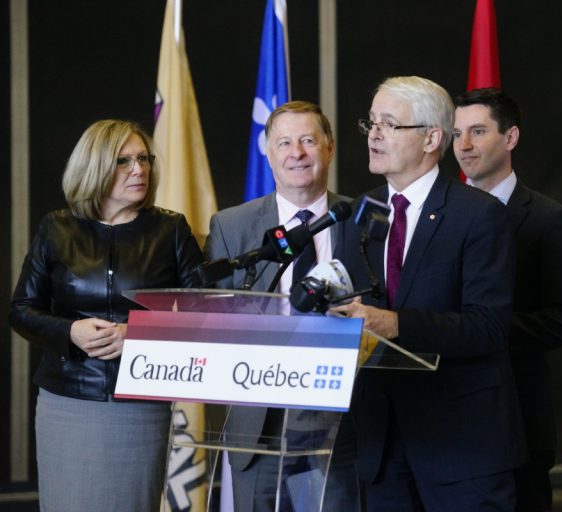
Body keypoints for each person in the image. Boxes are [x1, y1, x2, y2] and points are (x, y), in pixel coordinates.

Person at [331, 76, 526, 511]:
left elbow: (488, 327)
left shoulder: (479, 216)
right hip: (382, 444)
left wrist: (393, 324)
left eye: (389, 124)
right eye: (371, 123)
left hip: (462, 446)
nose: (374, 134)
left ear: (431, 138)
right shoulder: (358, 215)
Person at [9, 119, 204, 511]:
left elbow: (206, 316)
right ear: (95, 166)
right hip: (66, 399)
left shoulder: (170, 230)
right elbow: (22, 311)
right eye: (124, 161)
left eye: (144, 159)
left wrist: (138, 333)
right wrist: (71, 331)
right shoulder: (57, 228)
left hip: (140, 402)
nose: (140, 169)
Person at [204, 100, 358, 512]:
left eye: (308, 140)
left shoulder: (361, 221)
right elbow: (212, 321)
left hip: (344, 427)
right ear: (268, 153)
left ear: (329, 148)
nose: (297, 153)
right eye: (284, 143)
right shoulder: (231, 227)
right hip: (261, 426)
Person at [453, 87, 562, 512]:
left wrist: (477, 332)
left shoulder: (549, 219)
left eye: (477, 131)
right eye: (456, 134)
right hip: (446, 420)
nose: (464, 146)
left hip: (517, 418)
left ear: (510, 138)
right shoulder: (441, 214)